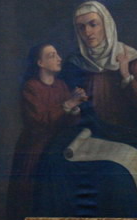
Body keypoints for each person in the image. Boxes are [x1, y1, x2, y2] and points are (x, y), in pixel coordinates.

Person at [63, 1, 137, 140]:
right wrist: (73, 106)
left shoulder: (131, 60)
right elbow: (65, 111)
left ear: (106, 25)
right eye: (81, 27)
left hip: (130, 137)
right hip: (91, 137)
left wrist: (126, 76)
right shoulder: (74, 64)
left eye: (93, 24)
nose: (87, 32)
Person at [7, 44, 87, 210]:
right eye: (52, 55)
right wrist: (69, 103)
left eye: (58, 54)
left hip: (58, 148)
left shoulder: (61, 85)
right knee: (34, 197)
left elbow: (71, 122)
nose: (59, 58)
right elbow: (41, 120)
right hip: (36, 150)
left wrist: (75, 106)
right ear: (40, 63)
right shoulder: (31, 87)